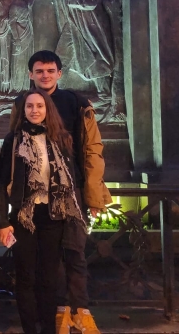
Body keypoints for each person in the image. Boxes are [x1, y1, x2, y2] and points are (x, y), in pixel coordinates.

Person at [10, 50, 112, 334]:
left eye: (50, 70)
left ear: (59, 73)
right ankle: (56, 312)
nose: (45, 75)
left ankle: (80, 311)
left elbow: (92, 150)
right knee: (48, 258)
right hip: (35, 198)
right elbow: (14, 152)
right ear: (31, 74)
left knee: (75, 250)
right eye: (39, 71)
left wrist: (92, 193)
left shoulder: (77, 103)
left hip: (73, 191)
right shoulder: (23, 104)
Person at [0, 90, 86, 334]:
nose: (34, 110)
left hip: (53, 217)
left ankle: (48, 328)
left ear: (48, 109)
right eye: (29, 106)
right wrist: (2, 220)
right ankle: (29, 328)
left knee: (49, 278)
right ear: (23, 110)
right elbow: (1, 183)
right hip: (23, 217)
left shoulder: (61, 139)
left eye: (39, 106)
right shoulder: (13, 141)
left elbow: (71, 179)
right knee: (25, 277)